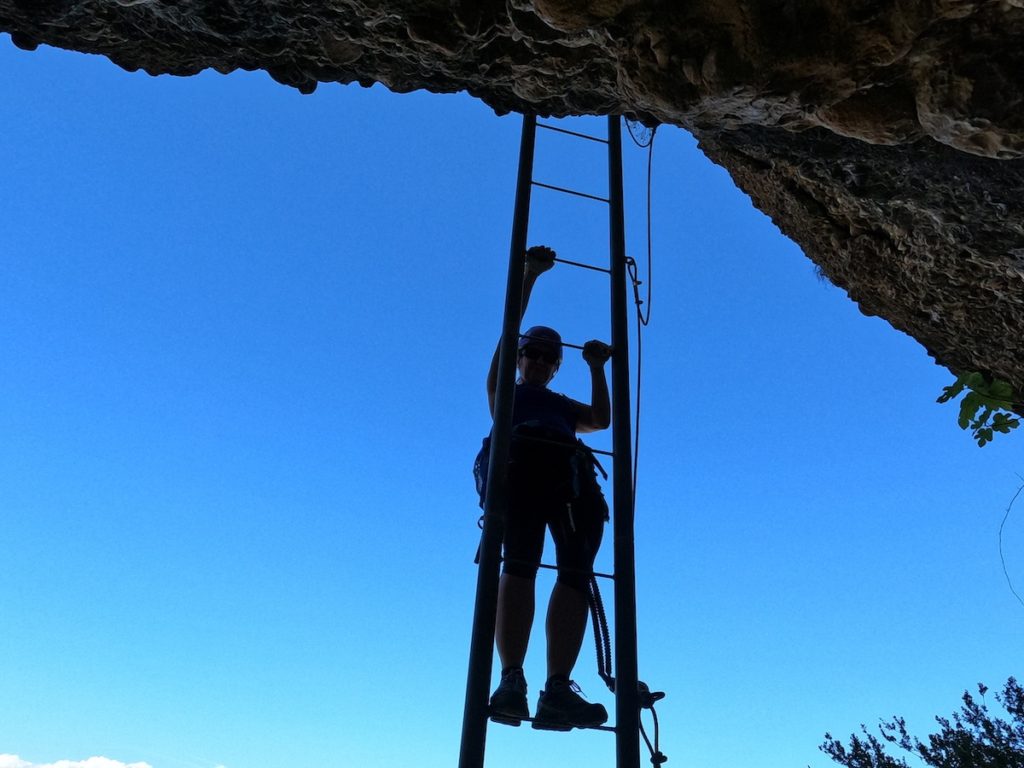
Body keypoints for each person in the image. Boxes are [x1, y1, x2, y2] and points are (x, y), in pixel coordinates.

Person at [480, 244, 613, 731]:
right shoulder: (507, 393)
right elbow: (506, 333)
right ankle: (512, 679)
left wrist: (598, 369)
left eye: (547, 357)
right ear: (520, 359)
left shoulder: (561, 405)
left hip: (567, 476)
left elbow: (600, 419)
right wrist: (529, 278)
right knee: (519, 563)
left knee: (576, 571)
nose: (537, 361)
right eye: (531, 353)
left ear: (557, 365)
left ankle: (557, 687)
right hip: (521, 468)